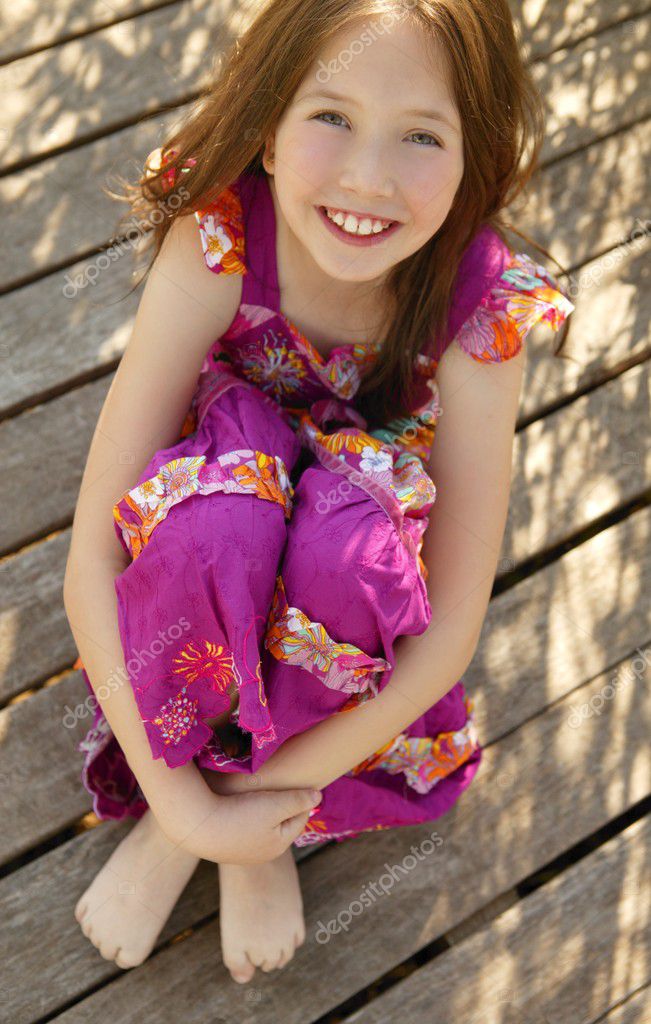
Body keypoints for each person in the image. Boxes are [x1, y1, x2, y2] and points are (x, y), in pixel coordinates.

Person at [63, 0, 574, 984]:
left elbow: (448, 635)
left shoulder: (480, 310)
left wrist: (226, 822)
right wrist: (181, 804)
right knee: (221, 526)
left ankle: (254, 826)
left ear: (480, 150)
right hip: (205, 562)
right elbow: (90, 558)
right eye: (330, 116)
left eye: (422, 134)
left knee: (353, 545)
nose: (368, 178)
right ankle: (195, 799)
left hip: (344, 621)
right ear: (266, 123)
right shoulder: (219, 240)